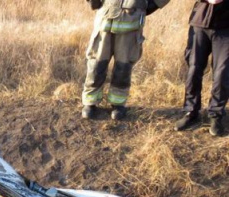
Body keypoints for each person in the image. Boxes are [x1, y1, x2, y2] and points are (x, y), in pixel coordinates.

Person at [82, 0, 170, 120]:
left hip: (131, 23)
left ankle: (118, 103)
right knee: (97, 64)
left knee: (123, 67)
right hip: (105, 20)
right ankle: (90, 102)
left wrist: (151, 5)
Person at [174, 0, 229, 136]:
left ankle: (216, 114)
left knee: (222, 72)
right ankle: (190, 111)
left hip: (226, 25)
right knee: (194, 68)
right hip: (200, 21)